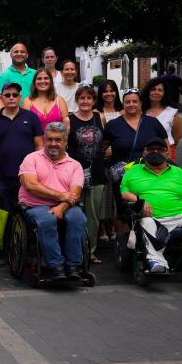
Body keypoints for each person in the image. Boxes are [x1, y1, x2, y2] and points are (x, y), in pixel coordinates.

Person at [120, 137, 182, 275]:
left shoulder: (180, 172)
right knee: (146, 222)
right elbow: (124, 193)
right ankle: (156, 261)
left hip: (180, 214)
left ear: (168, 154)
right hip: (151, 216)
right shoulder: (133, 171)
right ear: (144, 153)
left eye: (160, 149)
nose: (155, 152)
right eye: (151, 150)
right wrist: (139, 200)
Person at [18, 122, 88, 280]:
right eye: (49, 139)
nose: (53, 144)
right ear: (44, 140)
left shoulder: (75, 165)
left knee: (78, 218)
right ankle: (56, 265)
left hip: (66, 206)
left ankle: (73, 266)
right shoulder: (31, 158)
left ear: (65, 142)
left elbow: (74, 193)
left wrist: (61, 207)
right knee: (47, 219)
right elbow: (30, 185)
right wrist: (60, 196)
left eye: (58, 140)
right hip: (35, 205)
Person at [0, 81, 44, 213]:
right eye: (7, 95)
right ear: (1, 98)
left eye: (15, 95)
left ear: (19, 97)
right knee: (3, 216)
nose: (11, 97)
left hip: (27, 176)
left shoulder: (31, 117)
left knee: (27, 214)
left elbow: (39, 146)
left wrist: (40, 172)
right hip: (1, 177)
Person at [68, 85, 106, 263]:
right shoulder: (69, 120)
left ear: (94, 101)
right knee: (74, 213)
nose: (85, 101)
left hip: (96, 172)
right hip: (75, 173)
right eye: (82, 98)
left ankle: (90, 251)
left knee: (93, 216)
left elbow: (104, 142)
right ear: (77, 100)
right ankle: (73, 250)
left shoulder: (100, 117)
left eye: (89, 98)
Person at [102, 89, 168, 173]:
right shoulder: (113, 125)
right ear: (123, 104)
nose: (131, 104)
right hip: (123, 175)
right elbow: (102, 149)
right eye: (127, 102)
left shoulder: (153, 122)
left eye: (135, 101)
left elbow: (166, 148)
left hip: (151, 173)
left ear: (141, 103)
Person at [94, 79, 123, 242]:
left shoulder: (122, 111)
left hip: (119, 157)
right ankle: (102, 225)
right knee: (103, 192)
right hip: (103, 156)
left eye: (112, 90)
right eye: (105, 91)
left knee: (115, 192)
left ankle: (113, 224)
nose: (108, 94)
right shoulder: (97, 112)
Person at [143, 77, 182, 159]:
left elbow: (177, 136)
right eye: (153, 89)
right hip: (145, 152)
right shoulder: (142, 112)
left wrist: (167, 149)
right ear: (148, 92)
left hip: (166, 152)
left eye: (160, 90)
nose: (156, 92)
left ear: (164, 93)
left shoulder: (172, 112)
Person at [22, 68, 69, 133]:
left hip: (56, 142)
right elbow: (25, 127)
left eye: (46, 78)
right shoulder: (27, 101)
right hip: (34, 142)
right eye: (39, 79)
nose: (43, 81)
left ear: (51, 81)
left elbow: (66, 125)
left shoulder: (59, 101)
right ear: (34, 82)